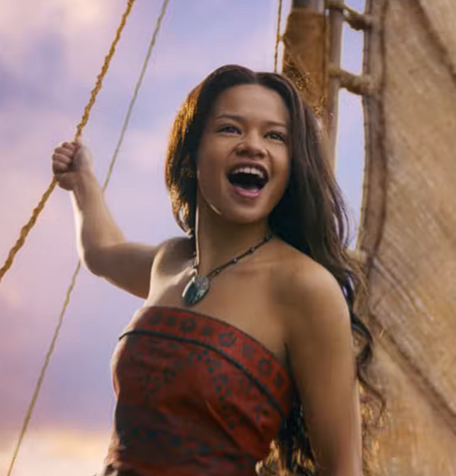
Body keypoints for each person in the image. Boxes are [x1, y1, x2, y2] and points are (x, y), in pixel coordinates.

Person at [51, 64, 384, 476]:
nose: (253, 146)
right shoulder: (170, 262)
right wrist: (82, 180)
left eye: (275, 136)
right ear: (191, 153)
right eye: (230, 129)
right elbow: (102, 251)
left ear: (292, 166)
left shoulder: (306, 288)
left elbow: (343, 470)